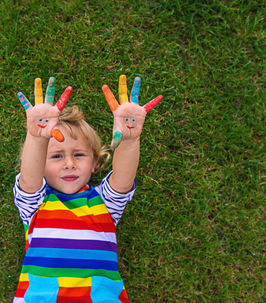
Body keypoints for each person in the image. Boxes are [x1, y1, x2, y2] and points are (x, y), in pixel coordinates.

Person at [13, 76, 162, 302]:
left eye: (79, 154)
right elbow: (30, 176)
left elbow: (123, 179)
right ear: (39, 164)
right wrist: (36, 137)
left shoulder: (104, 203)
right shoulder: (35, 204)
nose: (69, 163)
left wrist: (130, 139)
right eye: (56, 156)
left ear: (94, 163)